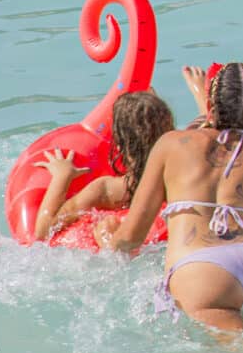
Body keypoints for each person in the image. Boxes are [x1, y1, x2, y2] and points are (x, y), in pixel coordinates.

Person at [107, 62, 243, 331]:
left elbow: (132, 237)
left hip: (202, 270)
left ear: (211, 107)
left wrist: (108, 244)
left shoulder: (171, 144)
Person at [32, 90, 177, 244]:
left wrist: (62, 176)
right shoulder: (181, 180)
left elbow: (44, 230)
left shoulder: (108, 190)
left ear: (120, 145)